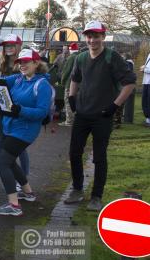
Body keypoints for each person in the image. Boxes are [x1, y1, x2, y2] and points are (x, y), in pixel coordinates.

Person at [64, 21, 136, 211]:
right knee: (74, 153)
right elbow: (75, 79)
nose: (92, 40)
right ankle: (77, 189)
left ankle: (96, 196)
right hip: (82, 114)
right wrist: (72, 97)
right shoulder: (80, 58)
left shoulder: (112, 58)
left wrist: (114, 106)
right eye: (89, 36)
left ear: (103, 37)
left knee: (99, 157)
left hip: (102, 116)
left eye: (96, 36)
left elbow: (129, 83)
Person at [0, 48, 52, 216]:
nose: (22, 65)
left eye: (26, 62)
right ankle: (28, 192)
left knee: (2, 162)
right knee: (9, 162)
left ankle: (14, 205)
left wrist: (20, 110)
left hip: (25, 131)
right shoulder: (19, 78)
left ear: (36, 63)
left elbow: (42, 112)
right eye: (20, 62)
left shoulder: (42, 84)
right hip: (11, 127)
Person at [0, 34, 30, 191]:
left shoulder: (25, 62)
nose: (9, 47)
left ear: (19, 45)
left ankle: (22, 179)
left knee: (19, 147)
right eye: (6, 45)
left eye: (12, 44)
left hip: (17, 110)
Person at [58, 43, 80, 126]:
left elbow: (66, 71)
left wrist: (62, 81)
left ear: (70, 50)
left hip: (70, 84)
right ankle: (76, 120)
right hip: (80, 85)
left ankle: (69, 121)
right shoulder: (81, 56)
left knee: (68, 101)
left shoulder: (71, 58)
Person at [141, 50, 150, 127]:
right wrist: (144, 67)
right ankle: (147, 119)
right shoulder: (149, 54)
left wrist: (144, 69)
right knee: (145, 100)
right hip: (146, 81)